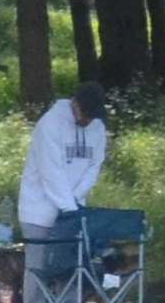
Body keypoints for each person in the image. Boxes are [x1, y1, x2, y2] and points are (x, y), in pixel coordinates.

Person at [16, 94, 112, 238]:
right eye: (85, 114)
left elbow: (94, 167)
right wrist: (69, 207)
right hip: (39, 211)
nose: (88, 120)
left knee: (73, 253)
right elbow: (50, 171)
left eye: (92, 117)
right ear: (75, 104)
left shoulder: (97, 127)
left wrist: (75, 201)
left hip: (74, 210)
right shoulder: (50, 123)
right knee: (39, 253)